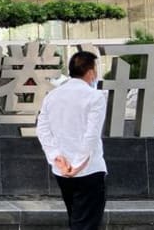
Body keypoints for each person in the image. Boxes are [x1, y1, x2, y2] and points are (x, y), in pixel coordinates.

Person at [37, 51, 107, 230]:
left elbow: (42, 130)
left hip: (62, 171)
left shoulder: (52, 96)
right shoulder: (95, 97)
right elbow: (91, 135)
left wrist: (56, 157)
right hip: (89, 170)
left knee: (76, 219)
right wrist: (77, 165)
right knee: (86, 224)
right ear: (90, 72)